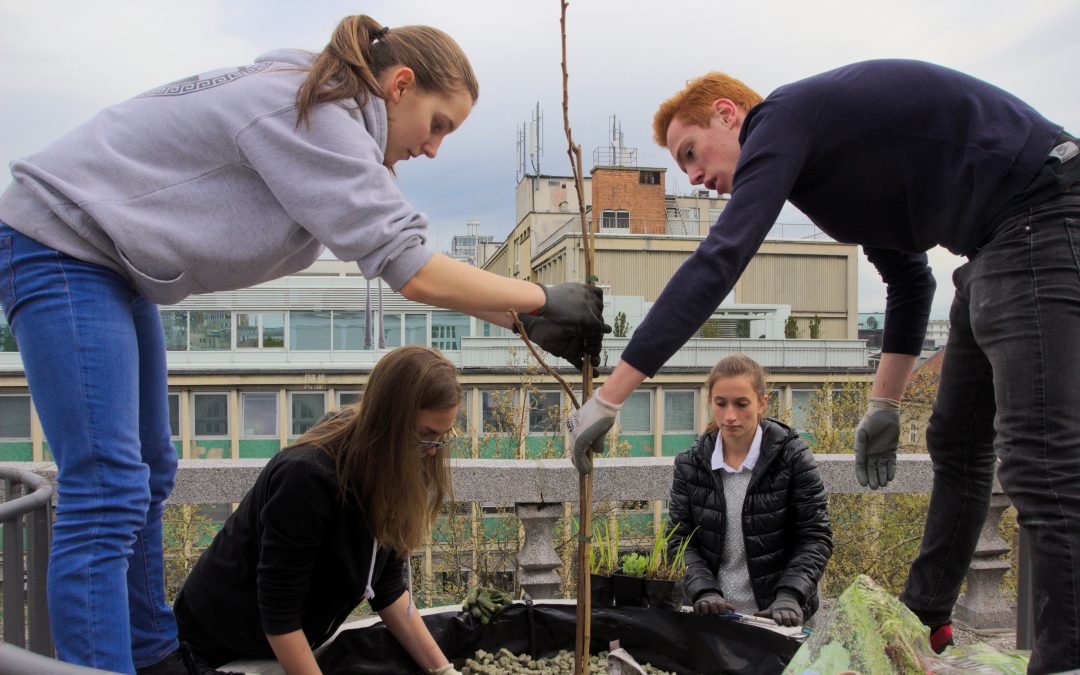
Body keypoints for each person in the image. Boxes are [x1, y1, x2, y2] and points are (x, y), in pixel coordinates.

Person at [0, 15, 606, 675]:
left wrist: (520, 322)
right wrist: (540, 301)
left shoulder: (320, 102)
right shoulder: (314, 112)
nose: (435, 149)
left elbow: (394, 246)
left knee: (150, 469)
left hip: (109, 262)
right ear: (400, 84)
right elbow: (410, 267)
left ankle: (151, 657)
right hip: (58, 240)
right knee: (108, 484)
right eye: (439, 124)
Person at [567, 59, 1080, 673]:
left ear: (729, 115)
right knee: (958, 442)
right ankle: (922, 623)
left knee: (1042, 461)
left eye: (691, 153)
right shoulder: (824, 170)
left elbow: (720, 260)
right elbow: (910, 279)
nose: (696, 178)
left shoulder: (780, 119)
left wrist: (611, 397)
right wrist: (884, 406)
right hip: (997, 239)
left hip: (1042, 210)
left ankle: (1066, 658)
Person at [174, 346, 463, 675]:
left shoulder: (399, 463)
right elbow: (279, 614)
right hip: (218, 645)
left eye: (442, 437)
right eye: (425, 435)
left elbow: (387, 587)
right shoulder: (307, 477)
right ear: (389, 421)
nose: (431, 451)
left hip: (287, 640)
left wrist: (442, 670)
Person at [668, 354, 831, 627]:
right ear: (710, 402)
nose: (730, 416)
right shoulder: (690, 464)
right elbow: (679, 541)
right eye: (721, 404)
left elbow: (815, 536)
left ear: (762, 403)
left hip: (780, 619)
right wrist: (703, 590)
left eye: (741, 404)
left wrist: (791, 594)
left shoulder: (793, 457)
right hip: (714, 618)